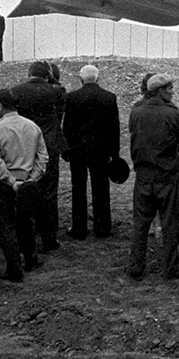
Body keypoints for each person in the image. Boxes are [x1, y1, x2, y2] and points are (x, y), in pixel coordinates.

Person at [127, 74, 179, 281]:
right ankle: (172, 267)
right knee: (170, 223)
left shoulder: (136, 113)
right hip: (167, 177)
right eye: (170, 88)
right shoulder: (173, 115)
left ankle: (136, 267)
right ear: (161, 91)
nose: (173, 91)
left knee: (141, 223)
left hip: (144, 176)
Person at [0, 89, 48, 283]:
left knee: (6, 224)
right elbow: (42, 157)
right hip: (28, 180)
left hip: (5, 183)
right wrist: (32, 180)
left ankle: (13, 267)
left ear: (0, 106)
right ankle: (31, 258)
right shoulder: (32, 127)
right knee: (26, 221)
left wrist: (12, 182)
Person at [8, 61, 67, 253]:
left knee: (25, 190)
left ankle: (26, 236)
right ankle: (49, 238)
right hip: (49, 145)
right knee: (49, 192)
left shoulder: (16, 91)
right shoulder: (56, 91)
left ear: (29, 73)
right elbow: (60, 114)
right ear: (47, 75)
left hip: (25, 146)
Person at [62, 64, 120, 240]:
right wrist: (115, 155)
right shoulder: (109, 98)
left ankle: (79, 229)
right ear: (98, 77)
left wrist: (67, 149)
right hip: (101, 152)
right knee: (101, 189)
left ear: (81, 79)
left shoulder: (72, 97)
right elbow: (114, 129)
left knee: (78, 189)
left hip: (78, 152)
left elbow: (68, 127)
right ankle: (103, 228)